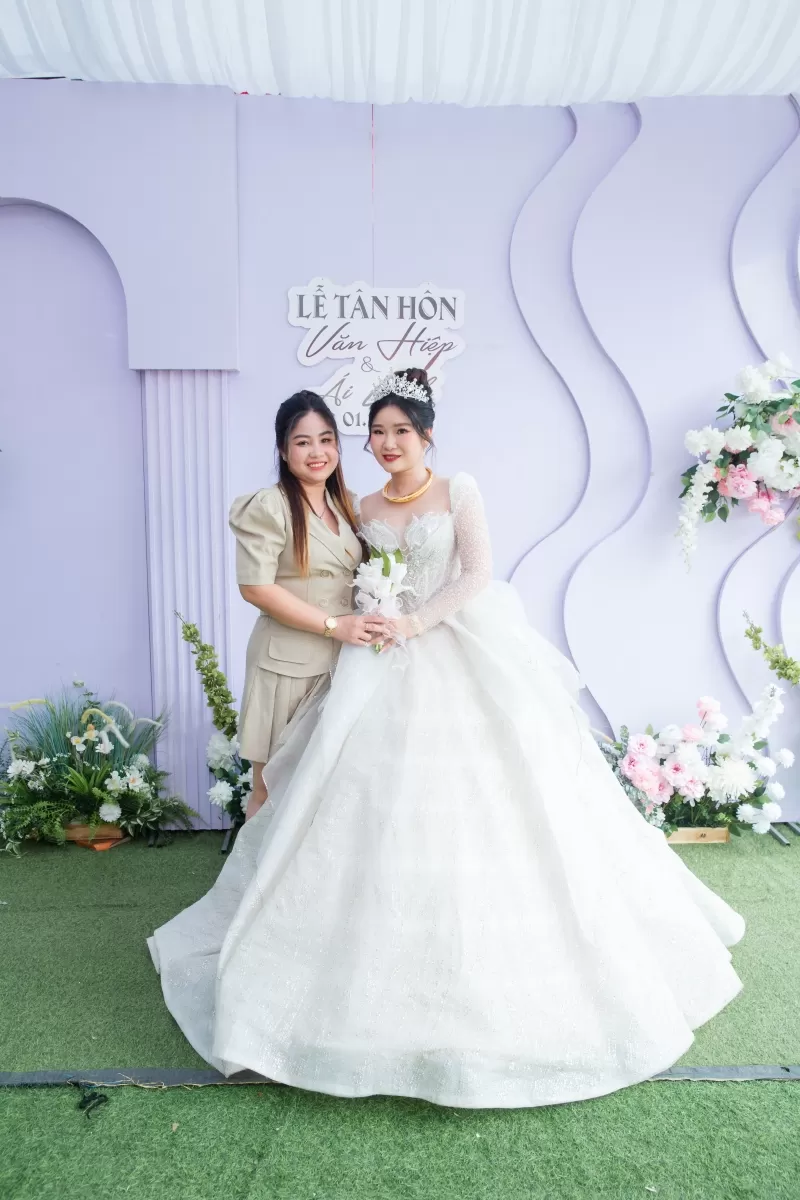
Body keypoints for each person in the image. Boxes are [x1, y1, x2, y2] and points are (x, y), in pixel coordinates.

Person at [149, 369, 745, 1109]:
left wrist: (414, 621)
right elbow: (344, 580)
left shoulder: (459, 490)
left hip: (452, 645)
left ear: (426, 436)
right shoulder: (361, 506)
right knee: (362, 794)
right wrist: (376, 614)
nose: (387, 442)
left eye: (400, 430)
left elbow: (476, 575)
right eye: (377, 432)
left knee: (493, 797)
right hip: (376, 659)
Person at [228, 390, 388, 820]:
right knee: (271, 787)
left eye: (326, 439)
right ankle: (257, 867)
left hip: (342, 663)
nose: (317, 452)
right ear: (283, 450)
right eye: (303, 442)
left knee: (325, 790)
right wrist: (335, 625)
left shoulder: (346, 503)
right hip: (287, 666)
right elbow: (255, 587)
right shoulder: (270, 506)